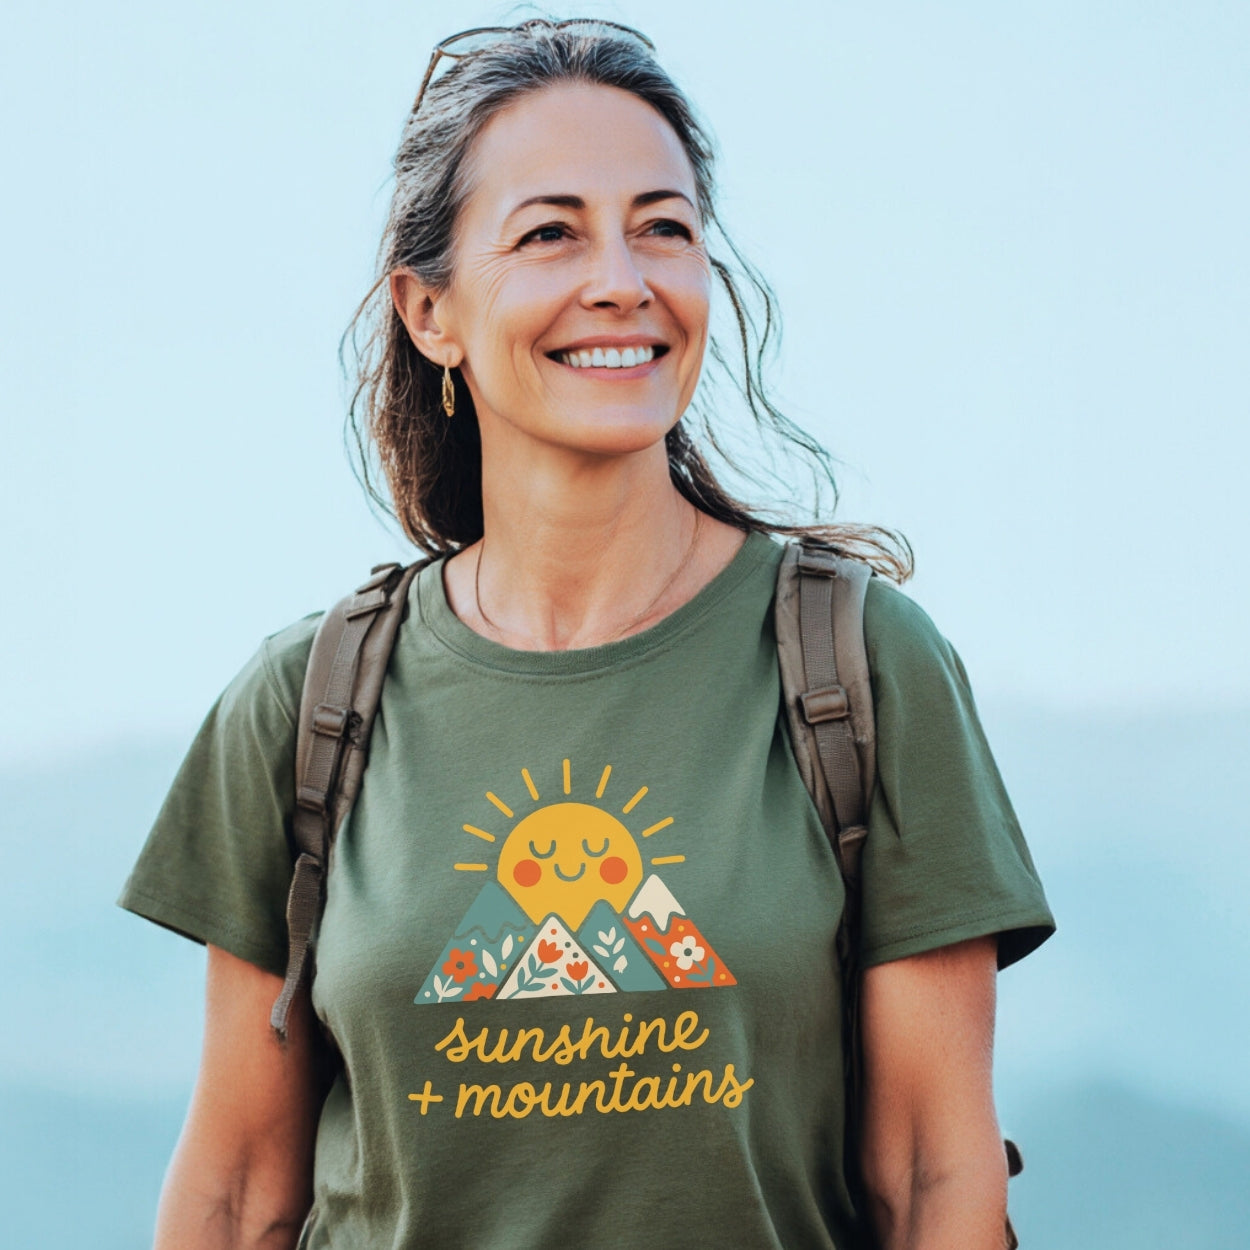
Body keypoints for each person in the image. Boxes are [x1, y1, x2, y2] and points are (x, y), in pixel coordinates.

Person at [119, 19, 1054, 1250]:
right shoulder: (307, 702)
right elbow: (238, 1192)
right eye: (549, 231)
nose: (621, 277)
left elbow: (936, 1178)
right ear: (428, 309)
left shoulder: (861, 667)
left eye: (661, 226)